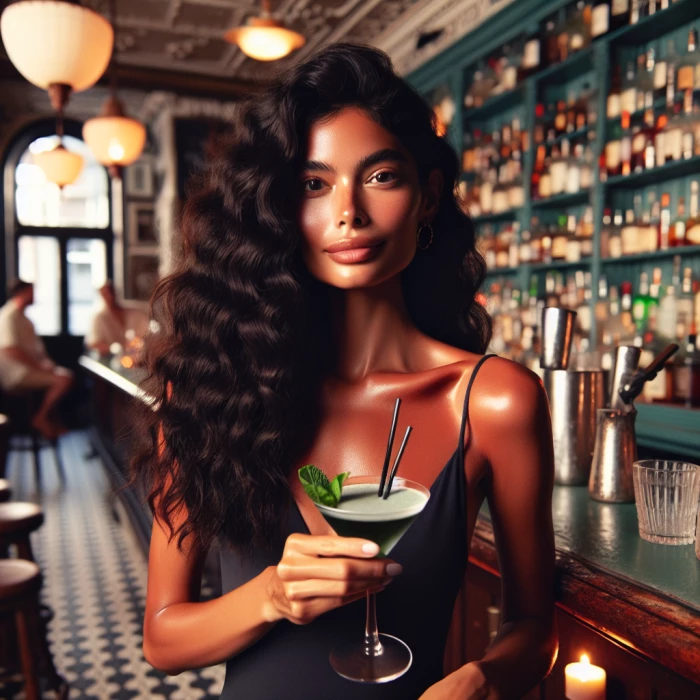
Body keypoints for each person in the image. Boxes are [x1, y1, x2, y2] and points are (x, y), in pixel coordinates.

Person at [135, 43, 557, 699]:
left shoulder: (494, 401)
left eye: (382, 176)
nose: (348, 212)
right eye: (313, 183)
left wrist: (483, 679)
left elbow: (535, 625)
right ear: (279, 206)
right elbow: (163, 638)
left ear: (428, 197)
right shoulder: (211, 385)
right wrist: (270, 596)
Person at [0, 279, 73, 439]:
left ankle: (49, 421)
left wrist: (48, 365)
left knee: (63, 375)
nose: (34, 296)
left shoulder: (24, 319)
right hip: (16, 374)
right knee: (62, 380)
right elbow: (10, 350)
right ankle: (40, 418)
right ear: (22, 293)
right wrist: (40, 367)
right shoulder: (8, 316)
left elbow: (37, 351)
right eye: (31, 292)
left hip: (30, 369)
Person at [85, 280, 127, 356]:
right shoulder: (98, 317)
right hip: (107, 357)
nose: (109, 297)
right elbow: (94, 344)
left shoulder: (129, 313)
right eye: (105, 294)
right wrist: (115, 348)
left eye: (110, 292)